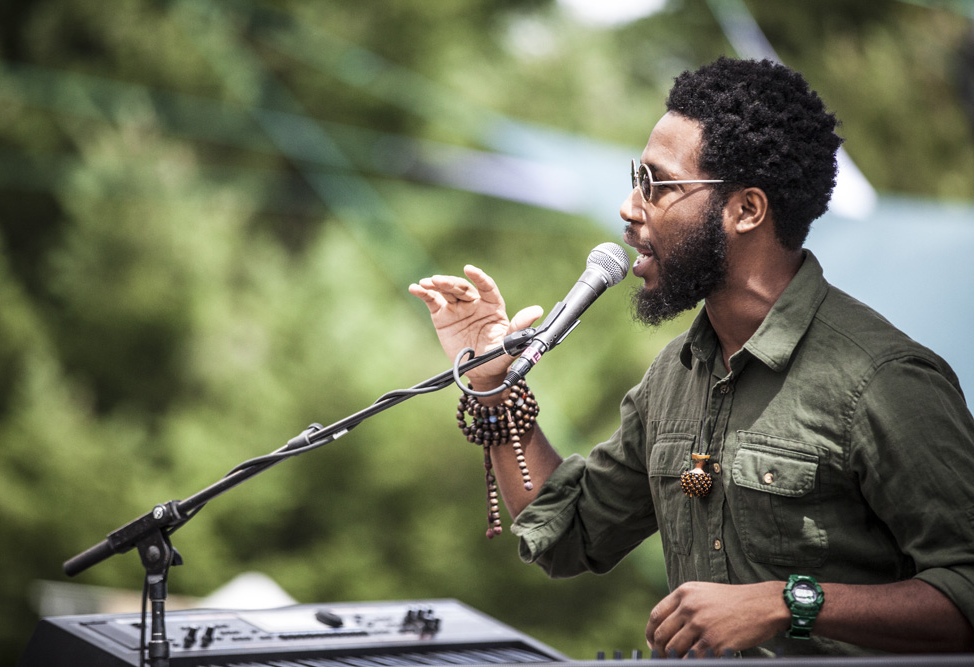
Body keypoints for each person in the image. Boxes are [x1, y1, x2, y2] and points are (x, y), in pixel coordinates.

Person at [408, 57, 974, 657]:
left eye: (657, 185)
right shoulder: (676, 375)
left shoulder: (882, 382)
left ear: (746, 211)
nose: (630, 208)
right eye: (636, 179)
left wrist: (787, 602)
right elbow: (569, 533)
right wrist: (494, 386)